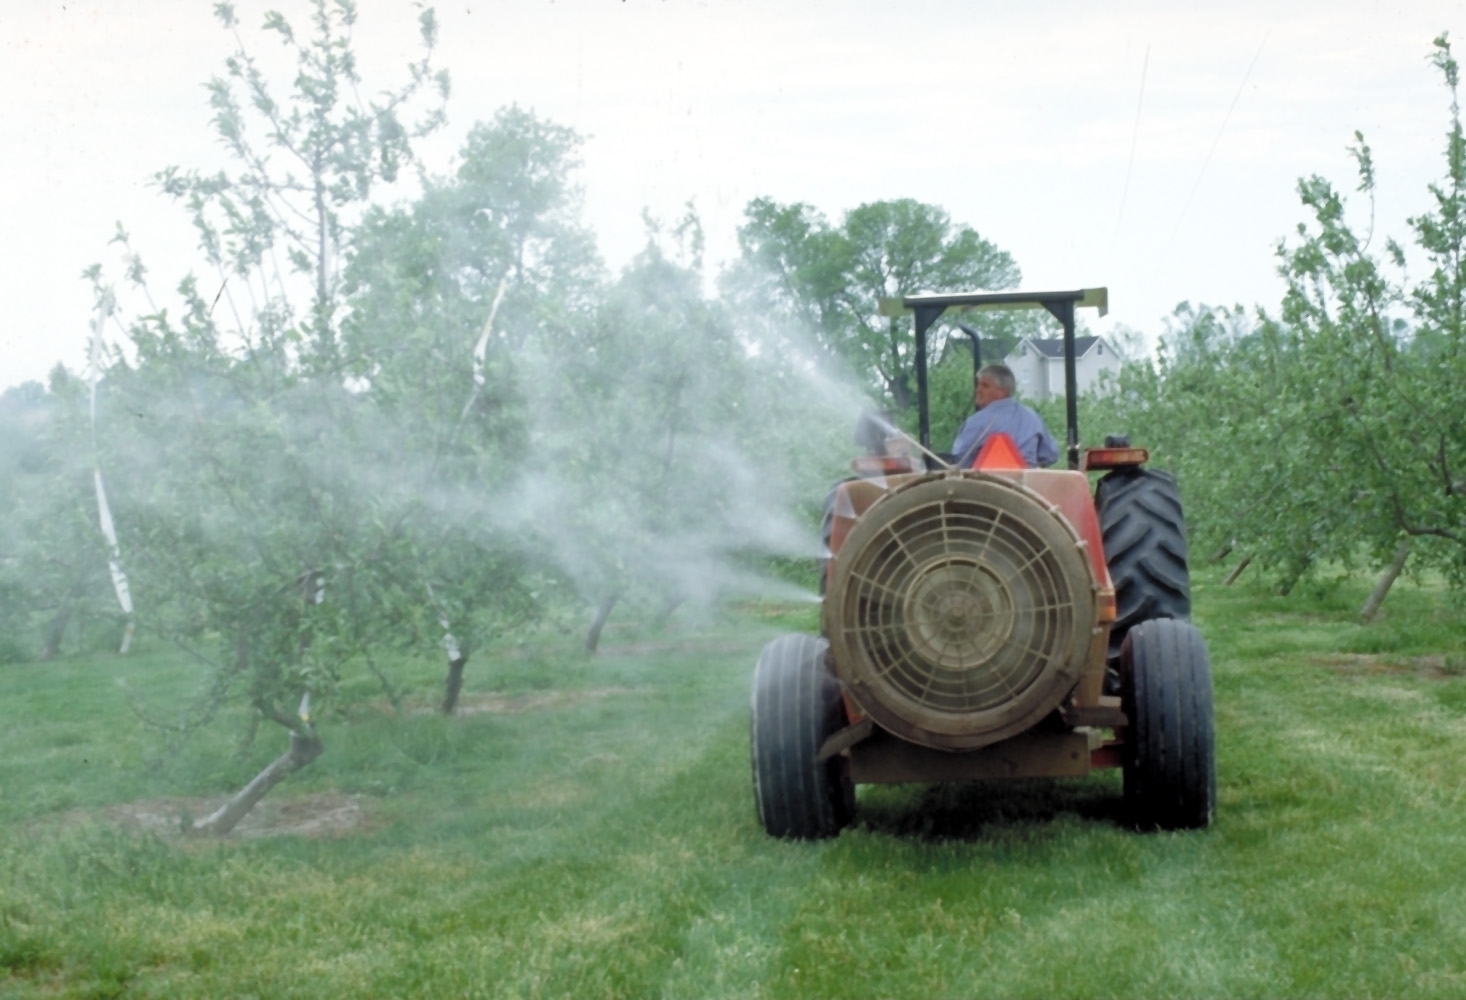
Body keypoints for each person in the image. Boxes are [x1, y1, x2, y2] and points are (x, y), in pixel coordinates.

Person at [950, 364, 1059, 468]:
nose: (978, 389)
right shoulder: (1033, 418)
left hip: (985, 484)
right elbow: (1051, 455)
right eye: (978, 384)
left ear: (1002, 391)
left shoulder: (977, 422)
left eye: (985, 385)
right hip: (1024, 484)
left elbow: (959, 459)